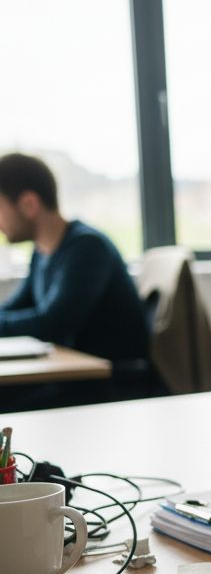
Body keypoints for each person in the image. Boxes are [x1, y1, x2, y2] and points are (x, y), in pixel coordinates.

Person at [0, 153, 147, 407]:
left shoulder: (88, 247)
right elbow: (16, 308)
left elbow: (52, 323)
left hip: (110, 384)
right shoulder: (42, 252)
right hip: (70, 378)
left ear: (29, 204)